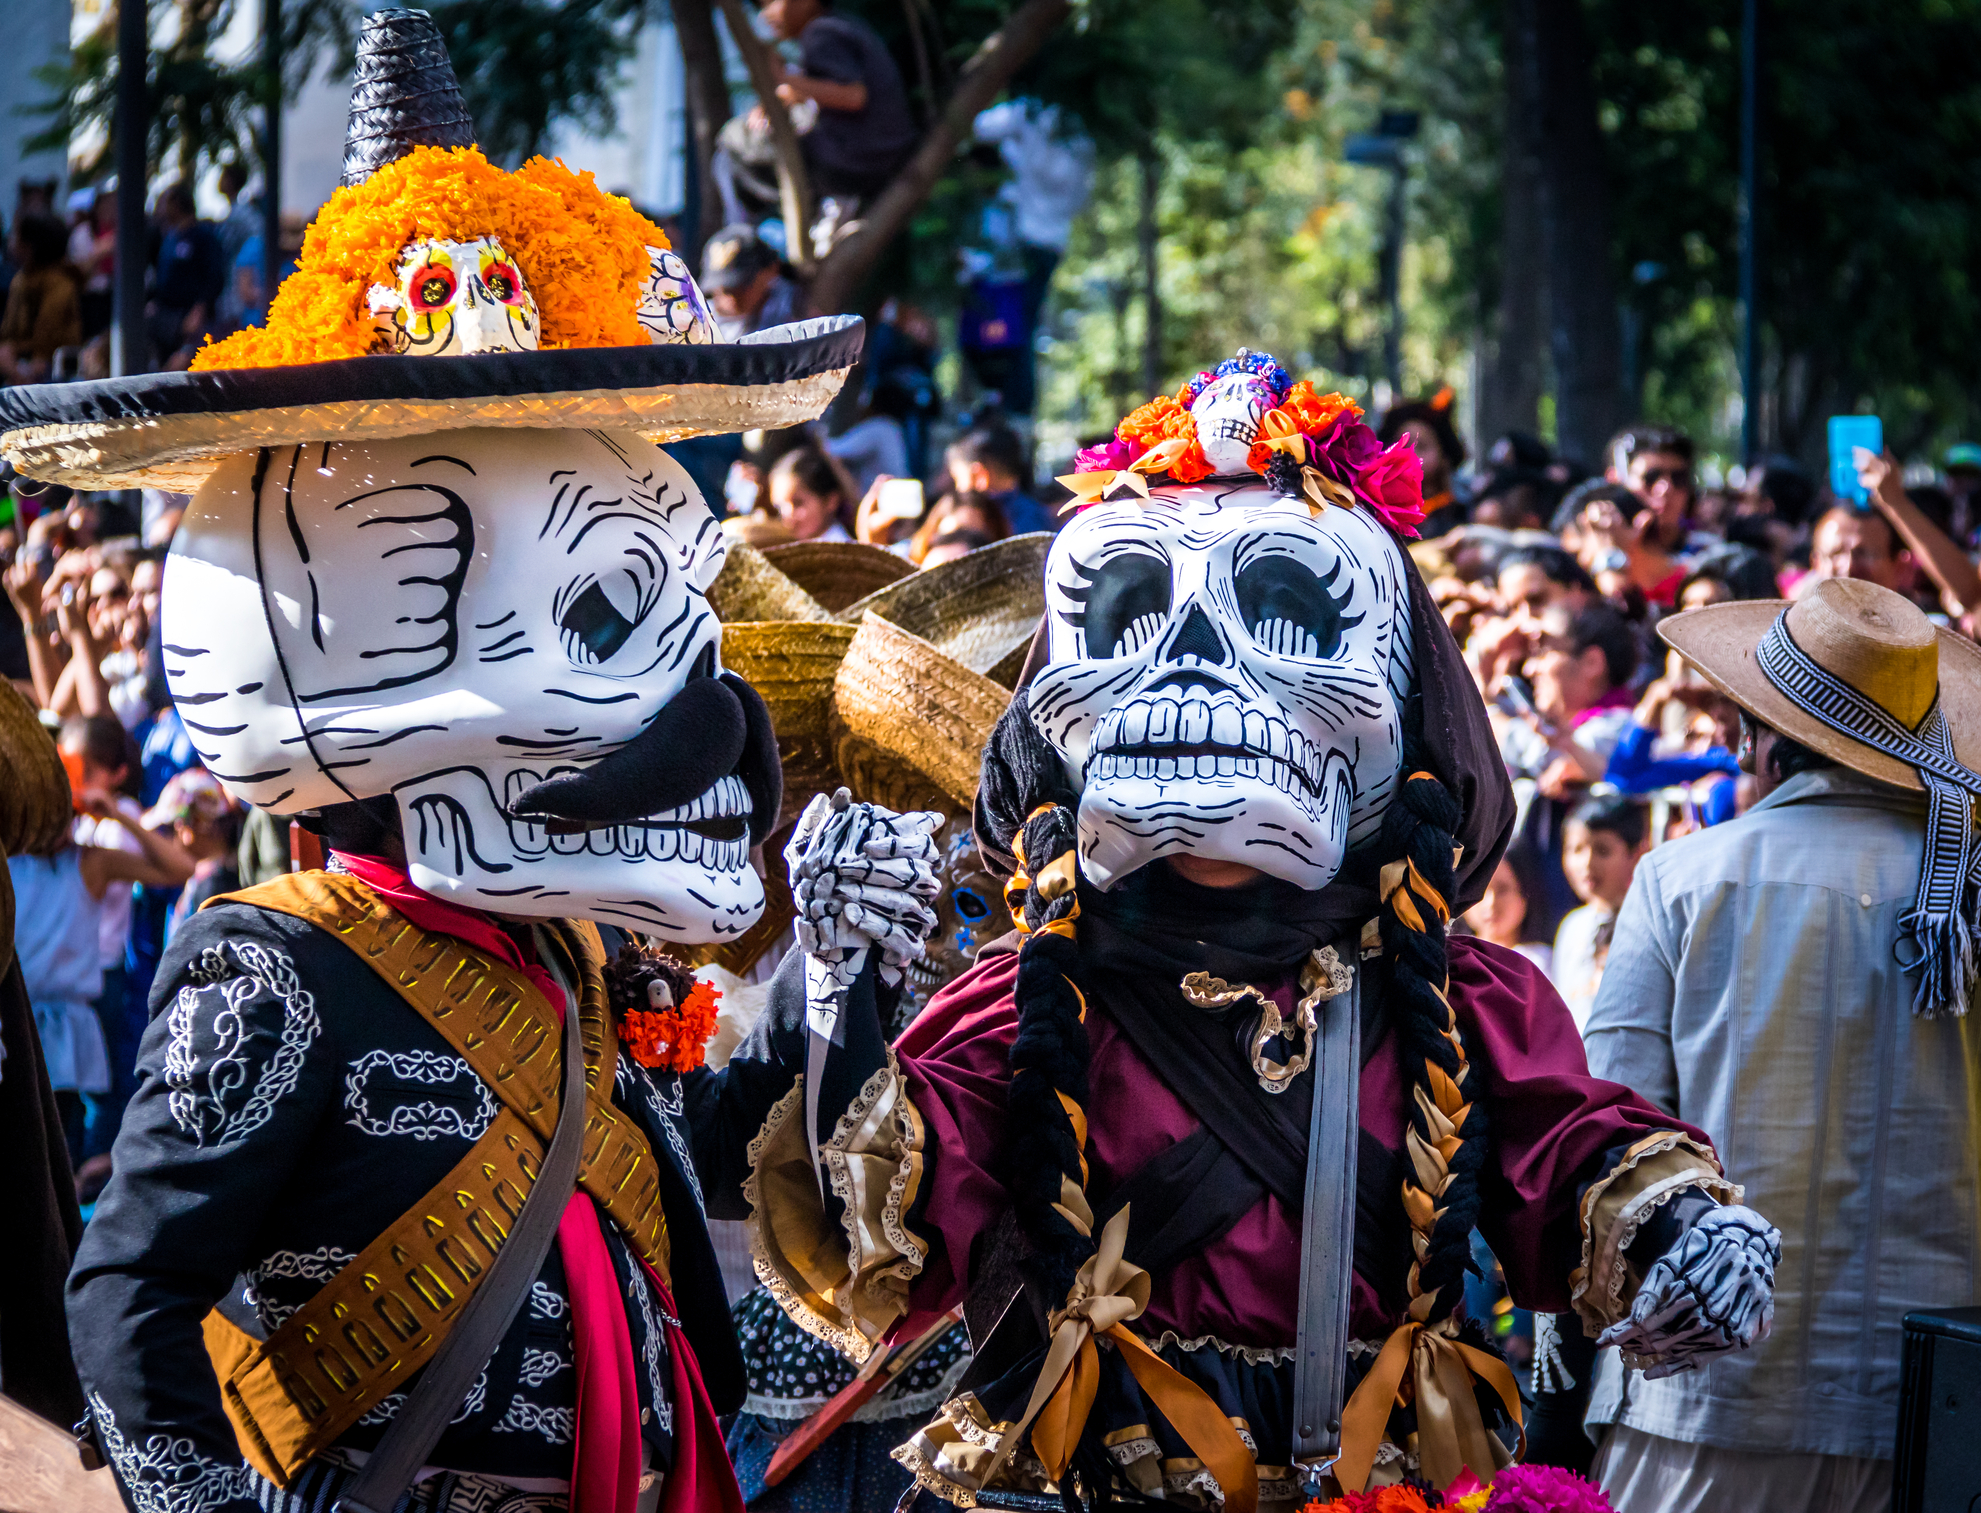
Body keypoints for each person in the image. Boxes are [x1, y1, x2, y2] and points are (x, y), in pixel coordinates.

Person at [17, 18, 882, 1512]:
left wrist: (867, 983)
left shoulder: (579, 960)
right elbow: (130, 1300)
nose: (710, 710)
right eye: (614, 607)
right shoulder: (275, 972)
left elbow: (715, 1208)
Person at [744, 348, 1777, 1507]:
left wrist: (1678, 1228)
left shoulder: (1448, 1000)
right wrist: (836, 980)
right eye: (1129, 607)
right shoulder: (1029, 1004)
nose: (1188, 666)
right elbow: (874, 1233)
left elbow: (1566, 1151)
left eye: (1286, 606)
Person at [1576, 576, 1981, 1512]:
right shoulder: (1965, 888)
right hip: (1938, 1410)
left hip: (1707, 1401)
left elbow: (1606, 1133)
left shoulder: (1681, 879)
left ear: (1762, 736)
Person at [757, 0, 916, 222]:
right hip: (886, 156)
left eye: (772, 2)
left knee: (740, 146)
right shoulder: (840, 24)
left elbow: (853, 96)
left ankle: (818, 212)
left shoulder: (821, 32)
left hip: (856, 161)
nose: (765, 15)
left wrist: (784, 79)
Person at [1550, 792, 1648, 1032]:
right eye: (1576, 849)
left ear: (1635, 855)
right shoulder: (1572, 927)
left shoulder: (1646, 924)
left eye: (1603, 851)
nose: (1587, 863)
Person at [146, 182, 226, 369]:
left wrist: (200, 308)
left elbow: (214, 276)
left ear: (177, 204)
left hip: (191, 315)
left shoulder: (203, 236)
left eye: (165, 202)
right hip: (166, 314)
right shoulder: (168, 236)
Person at [0, 211, 82, 384]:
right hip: (19, 362)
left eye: (16, 235)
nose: (11, 241)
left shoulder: (61, 284)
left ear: (30, 247)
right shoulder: (20, 280)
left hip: (52, 372)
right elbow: (8, 334)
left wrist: (13, 361)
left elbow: (45, 344)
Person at [700, 223, 799, 342]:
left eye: (740, 286)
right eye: (721, 290)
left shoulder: (797, 307)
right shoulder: (700, 320)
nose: (731, 299)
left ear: (770, 270)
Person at [944, 423, 1050, 534]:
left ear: (979, 475)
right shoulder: (1036, 516)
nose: (957, 488)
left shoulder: (976, 523)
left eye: (957, 479)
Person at [1798, 501, 1912, 596]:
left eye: (1864, 554)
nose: (1849, 565)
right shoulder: (1791, 621)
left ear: (1899, 567)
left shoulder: (1922, 622)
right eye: (1835, 554)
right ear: (1816, 563)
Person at [767, 443, 856, 541]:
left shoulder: (843, 551)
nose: (787, 516)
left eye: (798, 503)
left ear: (831, 501)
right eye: (779, 508)